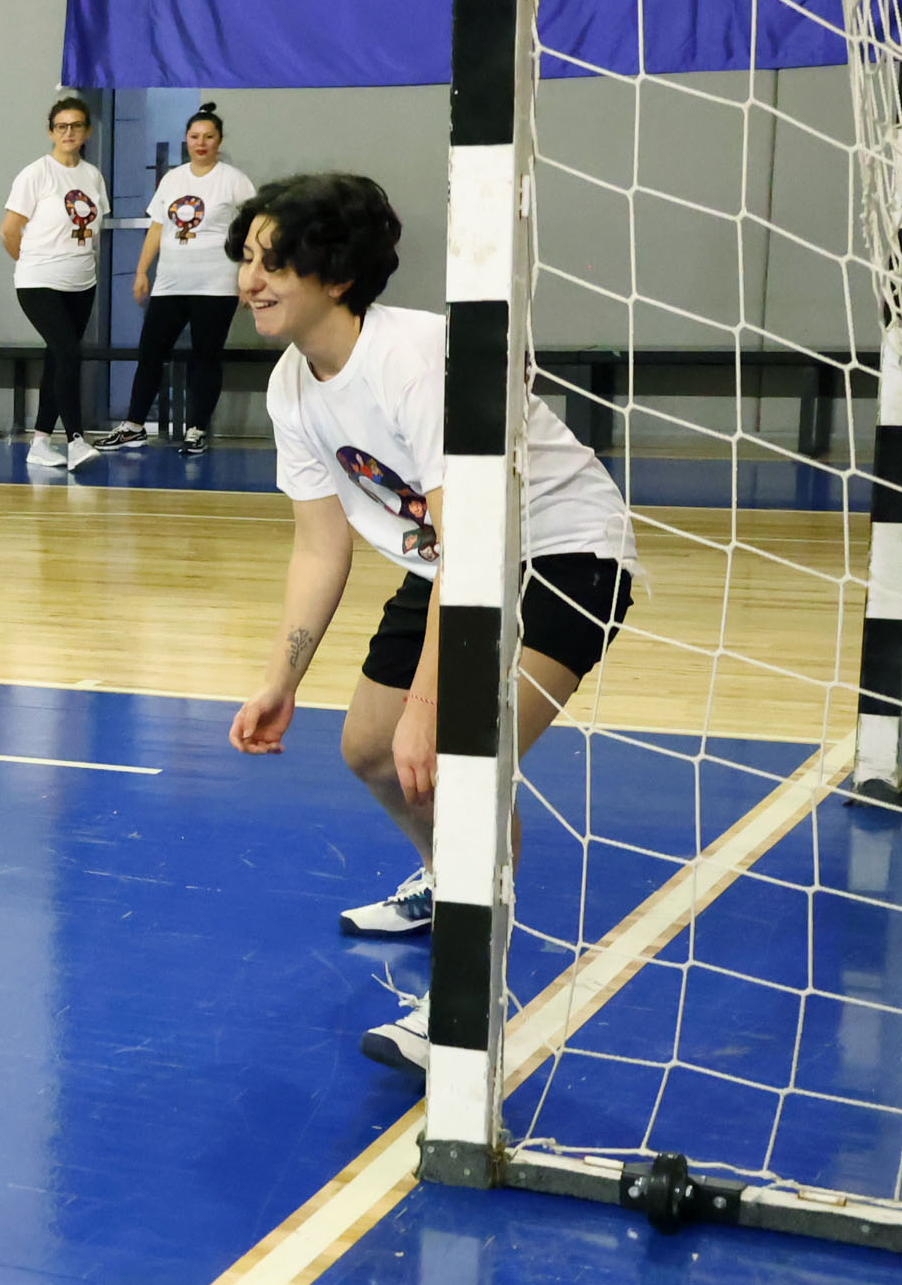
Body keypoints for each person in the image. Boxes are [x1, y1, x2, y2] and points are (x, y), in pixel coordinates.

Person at [223, 173, 637, 1078]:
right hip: (449, 561)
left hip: (560, 555)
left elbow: (480, 536)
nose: (249, 281)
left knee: (461, 763)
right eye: (246, 261)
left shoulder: (414, 360)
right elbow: (320, 551)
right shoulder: (293, 386)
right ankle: (448, 881)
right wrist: (280, 677)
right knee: (371, 749)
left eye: (271, 263)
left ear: (333, 275)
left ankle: (467, 998)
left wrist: (430, 701)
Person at [97, 103, 258, 456]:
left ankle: (197, 428)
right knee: (151, 353)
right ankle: (134, 426)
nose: (201, 143)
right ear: (186, 140)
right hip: (171, 284)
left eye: (209, 137)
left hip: (216, 285)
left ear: (219, 140)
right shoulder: (173, 178)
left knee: (206, 356)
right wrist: (142, 271)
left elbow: (254, 232)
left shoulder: (234, 180)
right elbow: (158, 226)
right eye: (194, 137)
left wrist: (249, 278)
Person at [2, 95, 109, 472]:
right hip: (39, 281)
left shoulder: (92, 175)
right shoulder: (36, 174)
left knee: (57, 357)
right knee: (69, 353)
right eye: (61, 126)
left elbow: (93, 230)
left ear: (87, 132)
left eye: (76, 125)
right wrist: (34, 264)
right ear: (51, 131)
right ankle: (76, 439)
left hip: (82, 282)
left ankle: (41, 441)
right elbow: (9, 231)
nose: (69, 132)